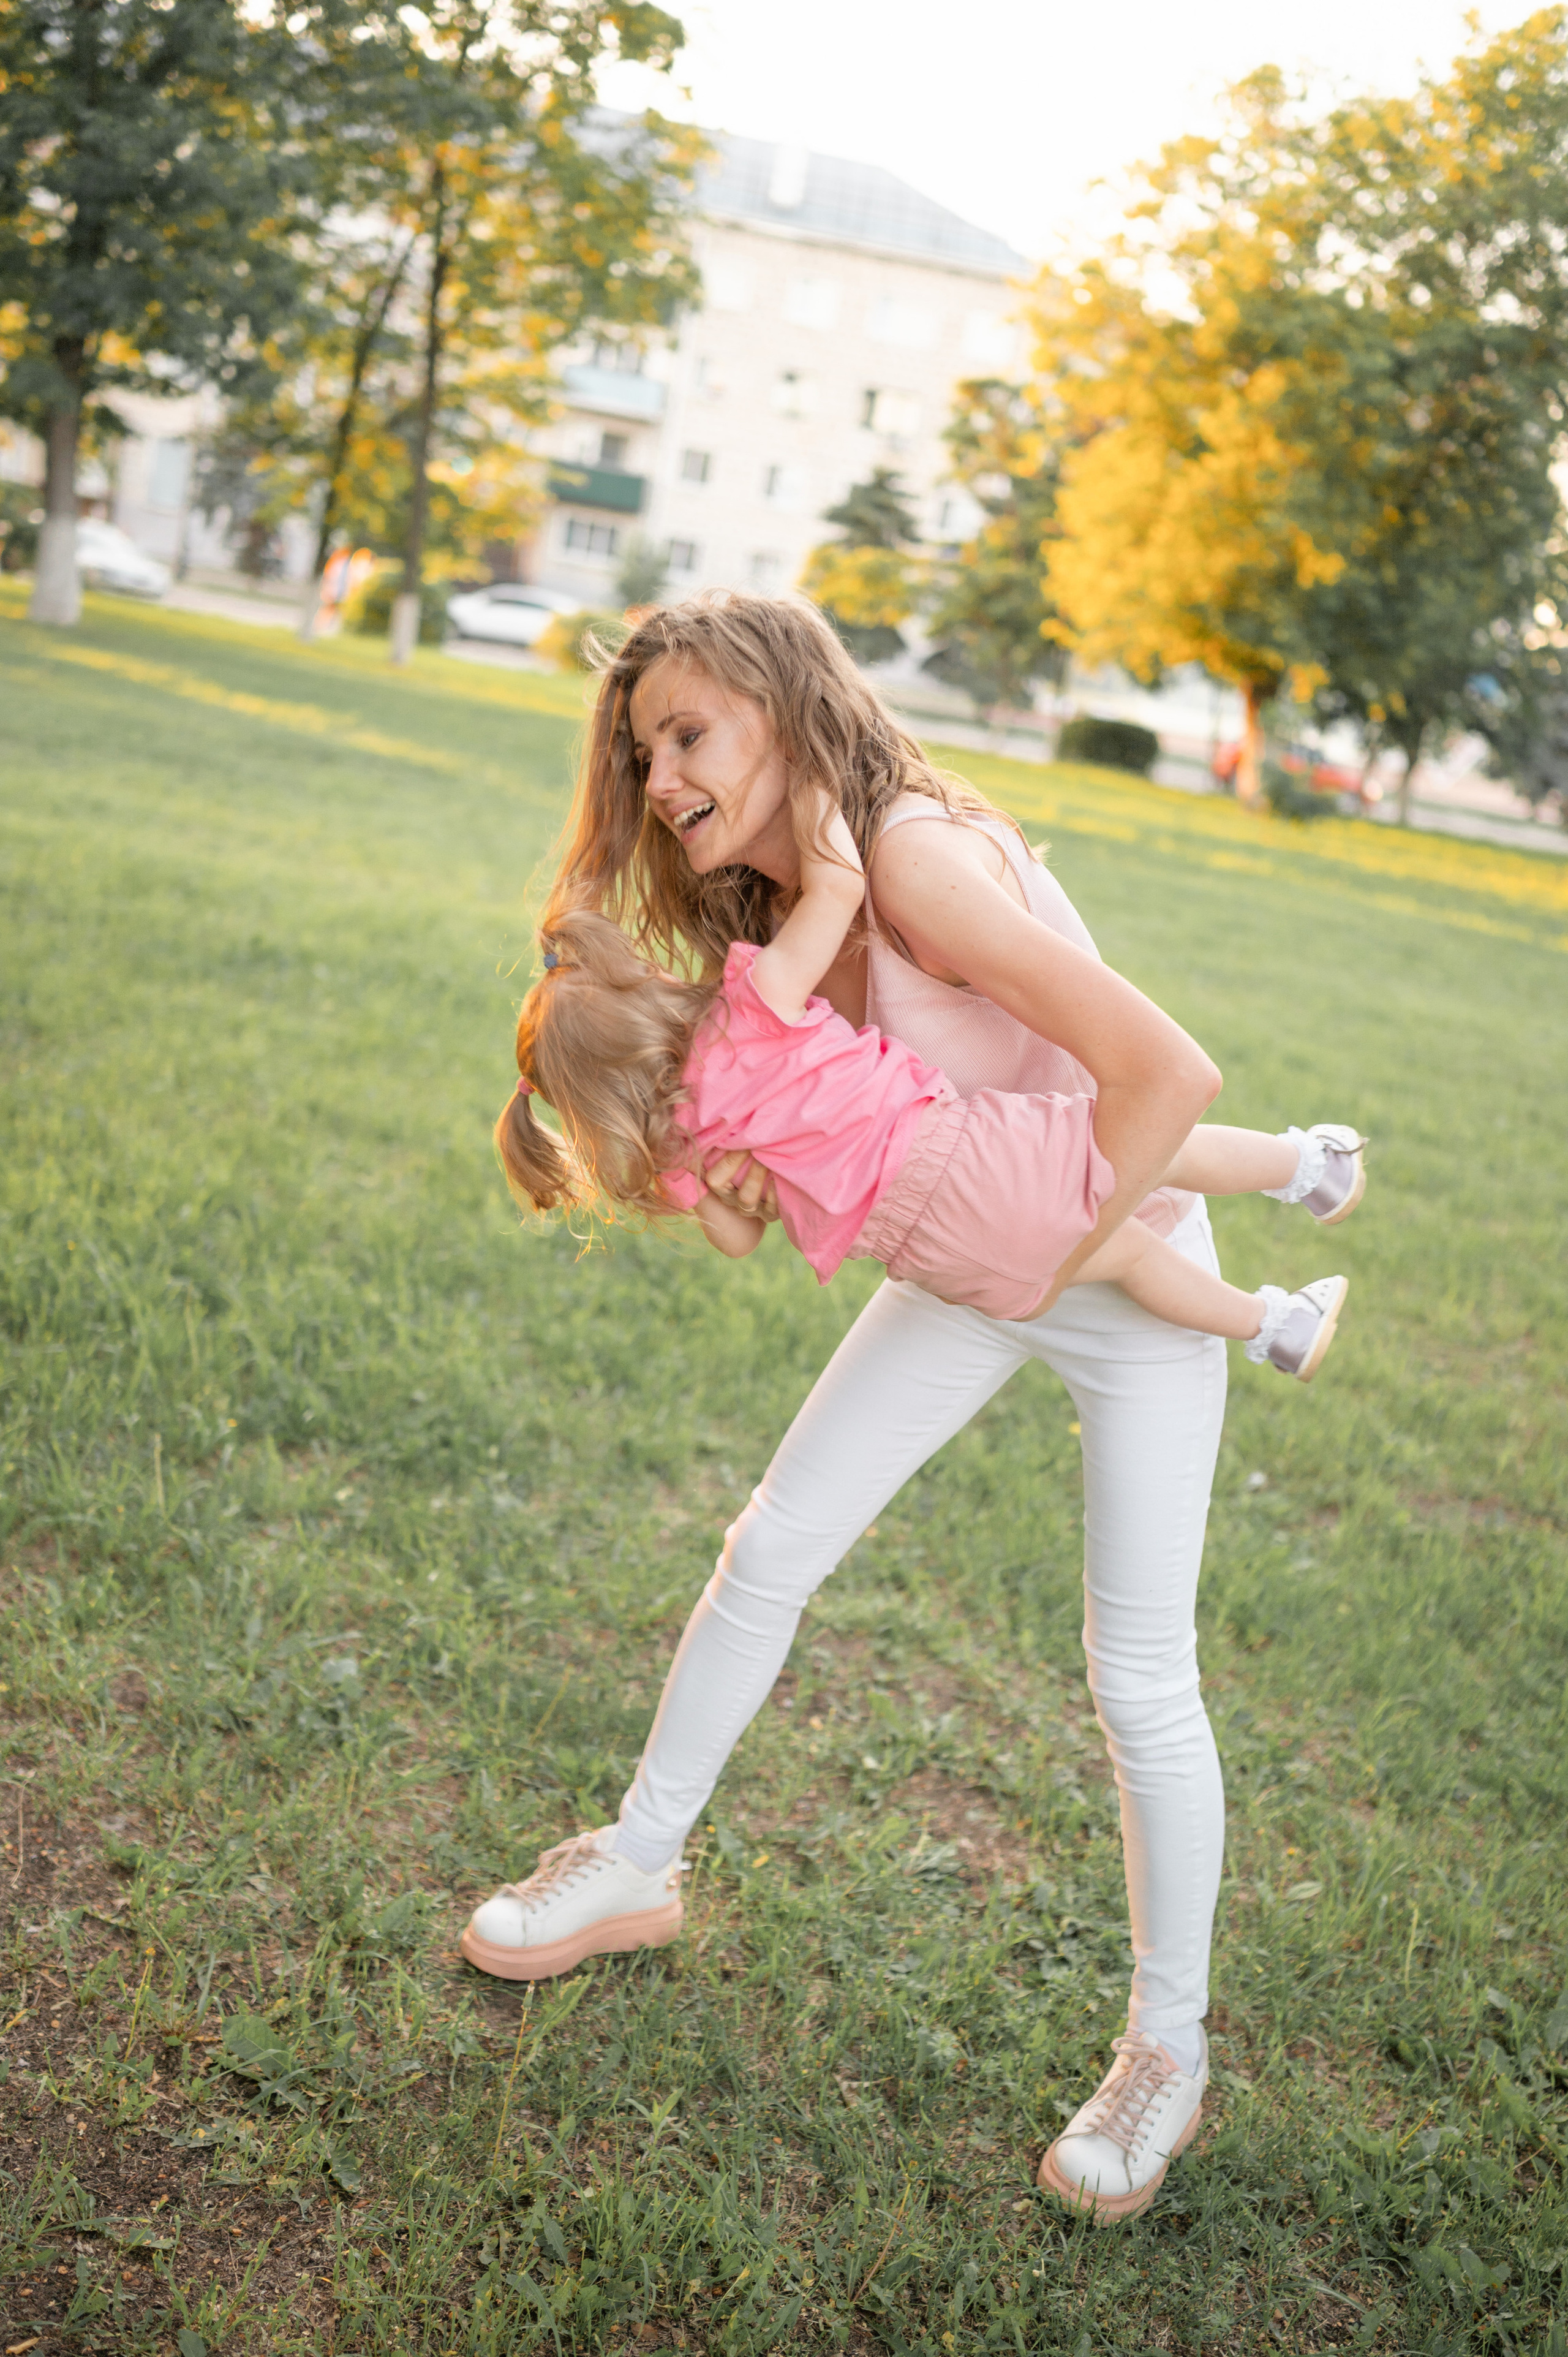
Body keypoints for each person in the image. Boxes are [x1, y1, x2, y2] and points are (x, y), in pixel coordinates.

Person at [461, 592, 1365, 2224]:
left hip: (1117, 1250)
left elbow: (1171, 1081)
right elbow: (858, 1127)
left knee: (1141, 1670)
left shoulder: (922, 862)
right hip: (974, 1253)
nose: (662, 778)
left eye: (689, 735)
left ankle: (1168, 2053)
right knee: (772, 1545)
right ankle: (640, 1863)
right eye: (642, 751)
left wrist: (1049, 1261)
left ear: (785, 706)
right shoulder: (802, 902)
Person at [492, 843, 1360, 1375]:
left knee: (1129, 1255)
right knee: (1156, 1151)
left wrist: (724, 1181)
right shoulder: (747, 1009)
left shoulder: (677, 1156)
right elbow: (834, 894)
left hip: (933, 1260)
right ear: (639, 987)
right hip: (964, 1159)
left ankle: (1275, 1326)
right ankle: (1312, 1169)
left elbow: (740, 1238)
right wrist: (824, 813)